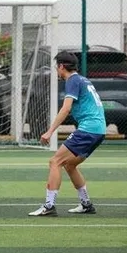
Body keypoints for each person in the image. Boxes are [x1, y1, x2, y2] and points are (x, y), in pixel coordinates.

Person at [29, 51, 106, 217]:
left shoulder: (72, 80)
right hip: (99, 130)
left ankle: (49, 206)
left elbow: (66, 109)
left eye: (56, 66)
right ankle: (86, 204)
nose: (56, 70)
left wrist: (49, 132)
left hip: (89, 129)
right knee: (69, 165)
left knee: (55, 161)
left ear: (61, 66)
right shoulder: (83, 80)